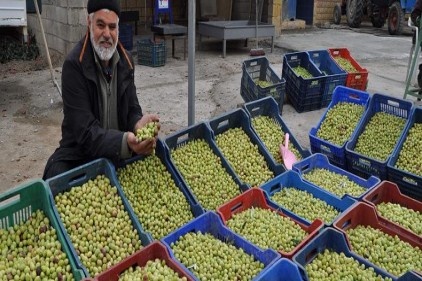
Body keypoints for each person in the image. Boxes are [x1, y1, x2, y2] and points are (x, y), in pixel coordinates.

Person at [42, 0, 160, 179]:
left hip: (117, 151)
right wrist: (124, 142)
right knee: (56, 175)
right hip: (81, 154)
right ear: (89, 23)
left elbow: (132, 110)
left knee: (152, 162)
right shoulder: (74, 66)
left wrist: (137, 124)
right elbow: (85, 132)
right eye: (101, 25)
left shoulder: (126, 61)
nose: (107, 34)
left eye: (112, 27)